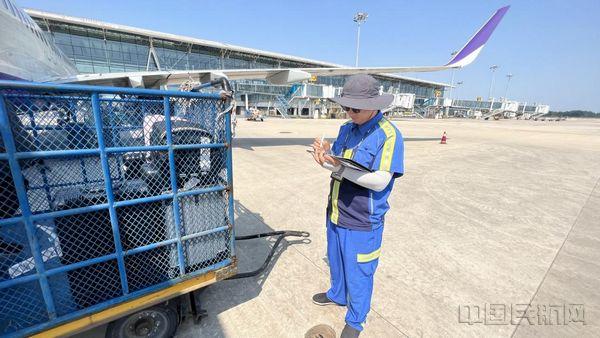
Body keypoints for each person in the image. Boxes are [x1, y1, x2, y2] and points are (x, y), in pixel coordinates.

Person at [310, 74, 404, 338]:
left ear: (375, 105)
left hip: (363, 220)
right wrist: (325, 156)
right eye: (346, 107)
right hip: (337, 211)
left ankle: (356, 319)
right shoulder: (346, 129)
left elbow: (379, 181)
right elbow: (338, 164)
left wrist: (337, 166)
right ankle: (337, 294)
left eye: (355, 108)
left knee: (360, 272)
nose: (350, 113)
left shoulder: (388, 135)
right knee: (337, 262)